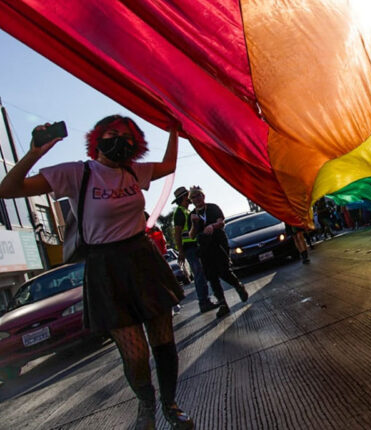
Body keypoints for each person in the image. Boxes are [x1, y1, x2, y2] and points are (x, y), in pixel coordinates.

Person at [0, 116, 194, 429]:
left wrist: (173, 129)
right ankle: (146, 404)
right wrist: (36, 152)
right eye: (112, 134)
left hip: (143, 260)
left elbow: (169, 165)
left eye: (127, 137)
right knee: (135, 353)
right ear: (97, 140)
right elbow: (8, 190)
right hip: (106, 268)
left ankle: (170, 405)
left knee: (163, 340)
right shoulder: (78, 172)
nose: (120, 140)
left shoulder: (134, 171)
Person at [188, 186, 249, 318]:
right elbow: (191, 235)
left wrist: (212, 226)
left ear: (203, 196)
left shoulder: (213, 208)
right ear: (191, 200)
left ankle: (238, 286)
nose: (197, 199)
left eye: (198, 195)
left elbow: (221, 222)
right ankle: (222, 304)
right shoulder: (192, 215)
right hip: (204, 248)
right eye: (193, 197)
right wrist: (194, 223)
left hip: (218, 244)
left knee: (224, 271)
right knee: (211, 276)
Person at [171, 186, 218, 314]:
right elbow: (177, 233)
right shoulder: (180, 212)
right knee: (199, 273)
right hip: (189, 248)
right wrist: (180, 252)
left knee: (201, 273)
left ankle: (205, 300)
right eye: (189, 196)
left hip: (194, 246)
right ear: (184, 198)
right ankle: (204, 302)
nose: (192, 198)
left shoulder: (187, 211)